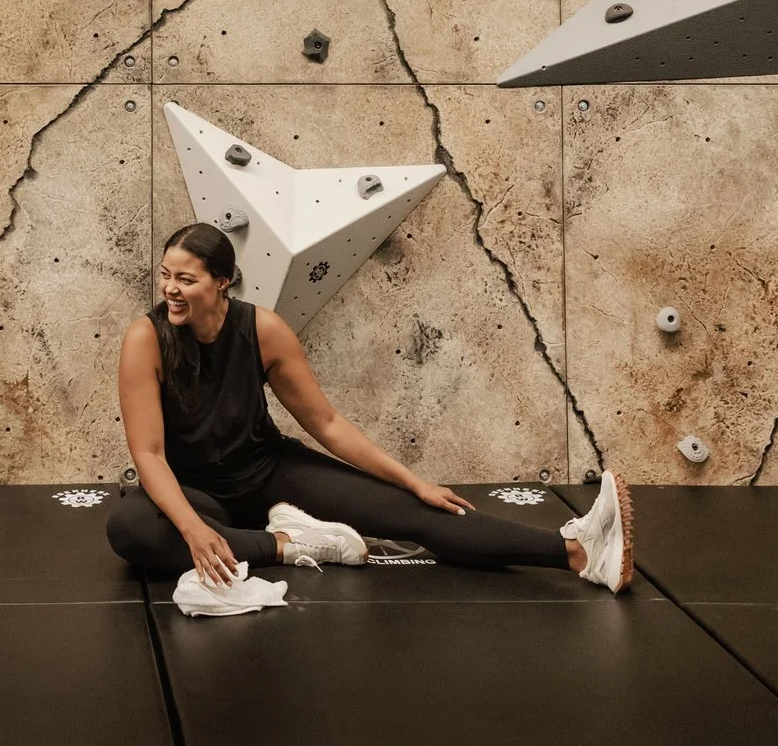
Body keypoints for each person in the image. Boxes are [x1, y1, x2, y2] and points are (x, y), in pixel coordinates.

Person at [106, 223, 633, 592]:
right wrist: (197, 531)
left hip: (267, 470)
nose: (170, 290)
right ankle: (288, 544)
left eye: (186, 279)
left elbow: (327, 424)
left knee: (415, 514)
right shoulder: (145, 339)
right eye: (165, 276)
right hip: (196, 492)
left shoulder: (262, 330)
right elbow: (150, 456)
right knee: (132, 529)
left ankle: (575, 551)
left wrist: (413, 482)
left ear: (222, 281)